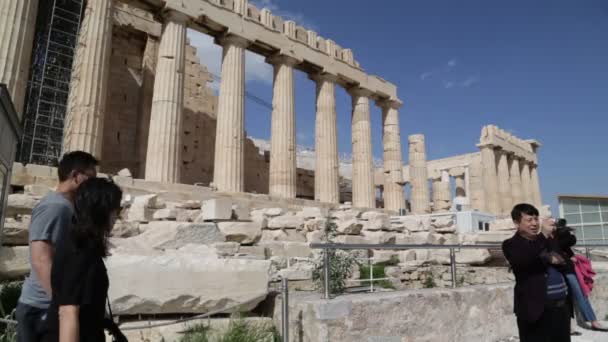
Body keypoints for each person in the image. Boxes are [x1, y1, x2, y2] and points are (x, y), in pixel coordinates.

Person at [16, 151, 98, 342]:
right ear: (76, 176)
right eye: (90, 177)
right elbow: (41, 258)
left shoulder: (68, 207)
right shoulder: (55, 207)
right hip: (41, 306)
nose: (92, 185)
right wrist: (62, 303)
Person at [42, 177, 124, 342]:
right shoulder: (78, 250)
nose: (118, 216)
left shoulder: (86, 245)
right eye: (117, 209)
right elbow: (68, 312)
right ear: (101, 210)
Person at [502, 203, 571, 342]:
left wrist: (548, 254)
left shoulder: (545, 241)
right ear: (516, 222)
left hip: (561, 308)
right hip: (535, 310)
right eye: (529, 220)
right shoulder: (511, 244)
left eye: (536, 219)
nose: (534, 223)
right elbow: (526, 260)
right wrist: (544, 238)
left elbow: (565, 262)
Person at [540, 217, 608, 332]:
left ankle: (593, 322)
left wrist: (566, 232)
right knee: (563, 299)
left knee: (580, 294)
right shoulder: (542, 239)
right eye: (550, 224)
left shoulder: (557, 236)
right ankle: (569, 327)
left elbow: (570, 242)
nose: (553, 226)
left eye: (554, 225)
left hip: (567, 270)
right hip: (554, 272)